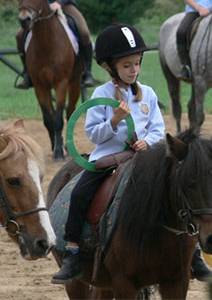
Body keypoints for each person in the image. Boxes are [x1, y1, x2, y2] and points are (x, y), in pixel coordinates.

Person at [51, 23, 165, 284]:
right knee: (80, 193)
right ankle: (71, 251)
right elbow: (93, 134)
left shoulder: (148, 94)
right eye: (127, 65)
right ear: (109, 67)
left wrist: (147, 142)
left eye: (136, 63)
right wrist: (113, 121)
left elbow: (159, 129)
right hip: (107, 158)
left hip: (144, 158)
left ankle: (191, 252)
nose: (133, 70)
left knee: (176, 186)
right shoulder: (100, 94)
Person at [15, 0, 94, 89]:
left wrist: (59, 2)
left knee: (84, 32)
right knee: (19, 36)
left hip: (65, 4)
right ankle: (27, 73)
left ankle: (87, 72)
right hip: (40, 6)